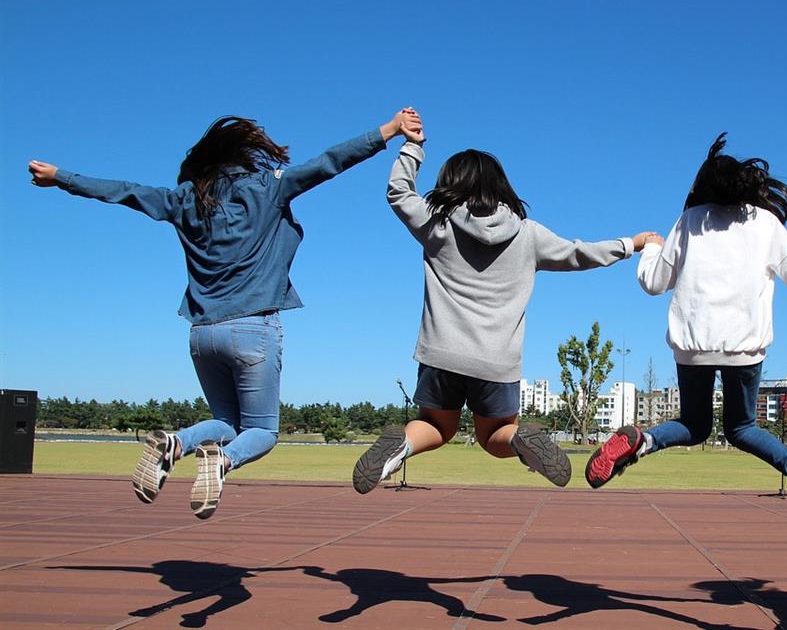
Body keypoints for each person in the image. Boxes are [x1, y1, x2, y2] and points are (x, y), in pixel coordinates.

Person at [29, 110, 412, 518]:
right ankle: (222, 462)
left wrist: (61, 177)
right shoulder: (268, 187)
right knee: (262, 431)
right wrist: (388, 130)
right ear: (243, 155)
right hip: (253, 328)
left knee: (226, 423)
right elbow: (330, 162)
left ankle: (177, 443)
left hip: (201, 333)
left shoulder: (183, 200)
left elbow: (126, 191)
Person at [351, 109, 656, 492]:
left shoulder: (438, 224)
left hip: (440, 353)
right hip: (497, 361)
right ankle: (519, 440)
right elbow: (580, 254)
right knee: (495, 435)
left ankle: (401, 446)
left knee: (435, 426)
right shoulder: (528, 235)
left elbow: (399, 192)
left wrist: (412, 147)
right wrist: (631, 244)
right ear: (500, 187)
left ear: (450, 183)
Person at [584, 133, 787, 523]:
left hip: (693, 347)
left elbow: (653, 283)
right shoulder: (766, 225)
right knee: (742, 427)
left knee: (693, 424)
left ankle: (641, 441)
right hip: (744, 349)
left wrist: (650, 246)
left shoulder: (689, 222)